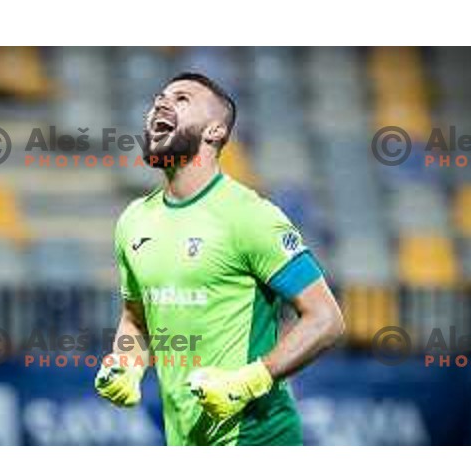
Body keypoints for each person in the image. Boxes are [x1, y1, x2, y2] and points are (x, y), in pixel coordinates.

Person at [95, 72, 344, 445]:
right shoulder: (133, 221)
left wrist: (251, 380)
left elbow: (326, 319)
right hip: (185, 439)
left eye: (181, 99)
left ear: (214, 131)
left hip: (257, 437)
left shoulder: (250, 216)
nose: (161, 104)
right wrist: (127, 362)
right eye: (159, 98)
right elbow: (136, 318)